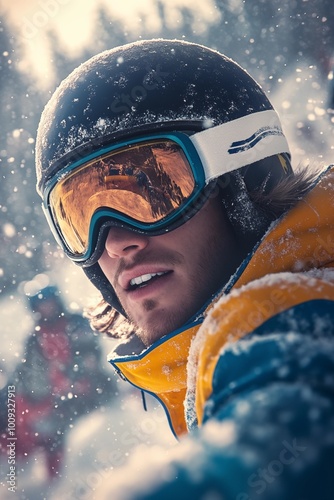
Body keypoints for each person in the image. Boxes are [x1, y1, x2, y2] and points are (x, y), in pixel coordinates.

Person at [35, 39, 334, 499]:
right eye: (80, 216)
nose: (113, 241)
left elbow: (298, 408)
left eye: (155, 192)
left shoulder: (292, 319)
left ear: (242, 180)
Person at [0, 283, 113, 480]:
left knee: (54, 433)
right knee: (13, 410)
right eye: (41, 304)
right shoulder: (35, 337)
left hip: (83, 394)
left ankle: (58, 480)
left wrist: (73, 380)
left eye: (49, 302)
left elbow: (89, 357)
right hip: (49, 395)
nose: (47, 308)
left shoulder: (76, 323)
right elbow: (30, 371)